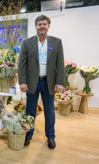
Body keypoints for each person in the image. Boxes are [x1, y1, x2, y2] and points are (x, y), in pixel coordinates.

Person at [18, 15, 64, 149]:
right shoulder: (27, 43)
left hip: (49, 83)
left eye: (44, 24)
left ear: (48, 26)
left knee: (49, 111)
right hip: (32, 83)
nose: (42, 26)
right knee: (30, 110)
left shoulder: (56, 42)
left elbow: (60, 64)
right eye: (39, 24)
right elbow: (22, 64)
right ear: (36, 27)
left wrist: (60, 82)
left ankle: (51, 137)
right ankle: (28, 134)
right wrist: (22, 81)